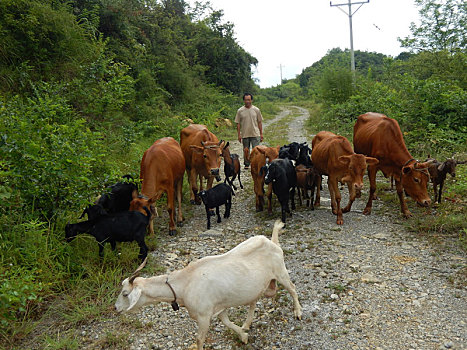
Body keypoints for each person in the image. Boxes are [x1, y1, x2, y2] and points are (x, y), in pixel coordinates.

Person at [235, 93, 263, 169]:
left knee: (256, 150)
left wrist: (261, 134)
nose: (247, 101)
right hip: (245, 134)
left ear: (251, 100)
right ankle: (247, 164)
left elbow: (259, 122)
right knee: (246, 150)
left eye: (249, 100)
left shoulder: (256, 110)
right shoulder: (240, 111)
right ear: (243, 100)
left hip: (255, 133)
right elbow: (238, 124)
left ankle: (255, 164)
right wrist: (239, 135)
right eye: (246, 100)